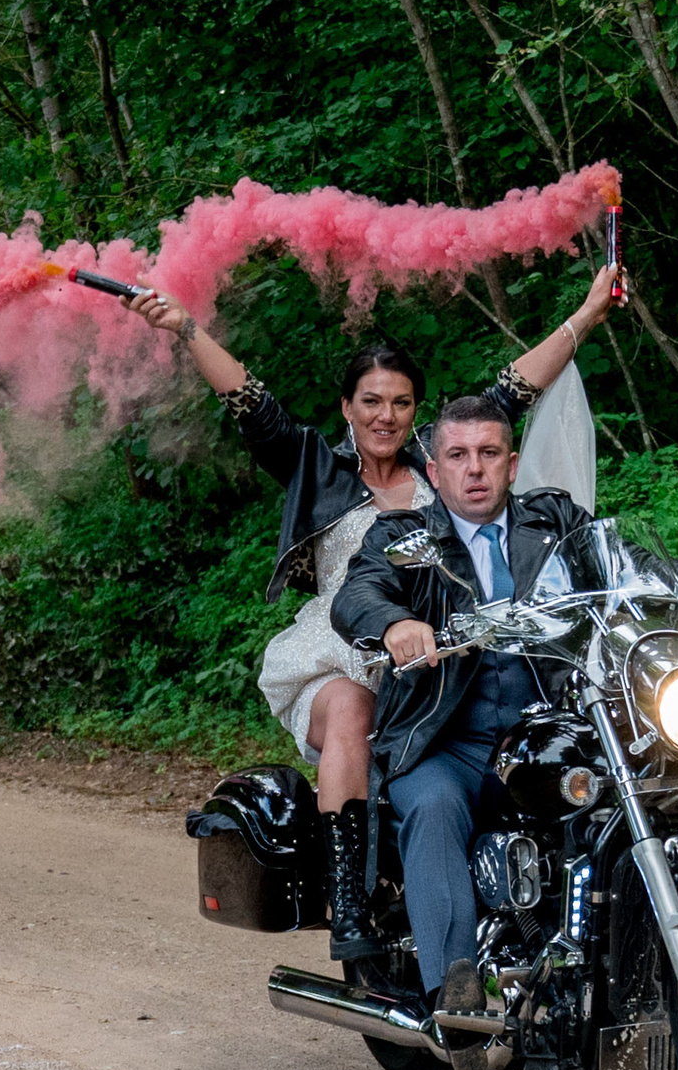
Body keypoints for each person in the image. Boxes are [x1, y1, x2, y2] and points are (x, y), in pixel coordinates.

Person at [126, 264, 630, 962]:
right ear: (347, 407)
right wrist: (185, 327)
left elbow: (513, 389)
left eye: (399, 402)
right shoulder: (316, 465)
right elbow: (248, 399)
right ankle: (350, 901)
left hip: (442, 653)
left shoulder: (442, 462)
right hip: (343, 643)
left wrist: (588, 314)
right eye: (370, 401)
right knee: (355, 708)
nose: (385, 415)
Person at [331, 398, 678, 1070]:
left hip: (557, 724)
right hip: (449, 737)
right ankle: (457, 984)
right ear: (434, 468)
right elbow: (358, 593)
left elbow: (626, 566)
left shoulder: (553, 521)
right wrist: (395, 625)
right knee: (435, 804)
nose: (473, 469)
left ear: (511, 462)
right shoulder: (404, 536)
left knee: (675, 776)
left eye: (487, 454)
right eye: (457, 456)